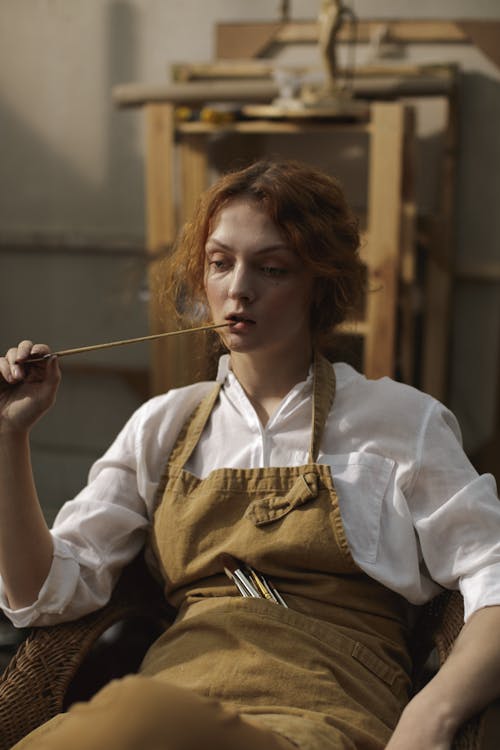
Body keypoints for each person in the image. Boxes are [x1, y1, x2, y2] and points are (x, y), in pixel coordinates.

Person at [1, 159, 500, 750]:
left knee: (130, 714)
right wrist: (10, 439)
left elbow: (492, 579)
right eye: (219, 263)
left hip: (319, 717)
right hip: (178, 700)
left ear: (320, 284)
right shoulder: (164, 425)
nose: (238, 288)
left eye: (272, 267)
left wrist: (433, 714)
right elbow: (46, 596)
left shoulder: (401, 421)